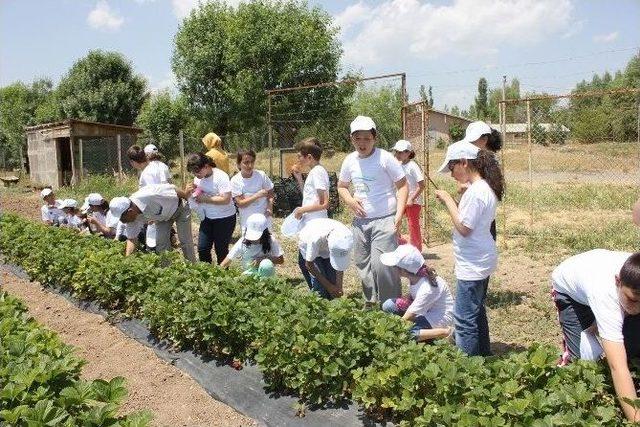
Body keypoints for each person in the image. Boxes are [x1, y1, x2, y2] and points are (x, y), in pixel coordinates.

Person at [551, 250, 640, 423]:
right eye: (633, 300)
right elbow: (617, 366)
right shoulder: (605, 295)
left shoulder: (633, 287)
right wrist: (636, 419)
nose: (637, 308)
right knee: (581, 364)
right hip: (570, 293)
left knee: (631, 346)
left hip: (597, 275)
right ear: (617, 281)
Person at [434, 141, 504, 356]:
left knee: (464, 319)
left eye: (452, 168)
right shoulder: (481, 187)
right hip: (480, 258)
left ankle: (469, 370)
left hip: (473, 263)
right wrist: (464, 193)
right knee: (477, 312)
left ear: (464, 162)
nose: (451, 174)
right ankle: (483, 356)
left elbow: (464, 227)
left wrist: (448, 200)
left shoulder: (476, 192)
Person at [337, 115, 408, 305]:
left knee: (383, 265)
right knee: (363, 264)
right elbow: (342, 186)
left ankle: (391, 307)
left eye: (367, 138)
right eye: (357, 138)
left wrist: (399, 215)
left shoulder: (385, 158)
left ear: (374, 138)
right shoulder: (349, 160)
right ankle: (370, 304)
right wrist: (350, 201)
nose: (362, 143)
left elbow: (402, 186)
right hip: (360, 223)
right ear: (351, 139)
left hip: (385, 219)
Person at [380, 244, 454, 342]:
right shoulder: (417, 276)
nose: (393, 269)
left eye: (395, 267)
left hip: (439, 317)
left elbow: (407, 317)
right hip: (426, 309)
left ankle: (445, 332)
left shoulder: (427, 288)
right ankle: (422, 330)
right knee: (389, 305)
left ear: (404, 270)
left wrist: (389, 330)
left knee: (408, 334)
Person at [107, 183, 196, 262]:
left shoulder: (149, 195)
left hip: (180, 208)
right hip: (162, 218)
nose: (123, 222)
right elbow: (132, 239)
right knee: (161, 244)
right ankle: (167, 271)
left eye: (123, 219)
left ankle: (193, 269)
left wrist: (186, 197)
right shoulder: (131, 219)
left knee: (185, 241)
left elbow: (174, 189)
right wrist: (127, 261)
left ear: (130, 211)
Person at [185, 152, 236, 264]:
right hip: (207, 218)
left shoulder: (221, 176)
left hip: (225, 218)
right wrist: (190, 192)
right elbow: (197, 194)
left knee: (221, 250)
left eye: (197, 171)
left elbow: (226, 199)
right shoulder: (198, 179)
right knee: (202, 249)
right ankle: (207, 277)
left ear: (207, 166)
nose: (195, 174)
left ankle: (223, 278)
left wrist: (205, 199)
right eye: (193, 172)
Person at [457, 121, 503, 240]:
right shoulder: (472, 158)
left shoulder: (491, 161)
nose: (470, 145)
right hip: (471, 211)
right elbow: (461, 182)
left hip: (484, 216)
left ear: (485, 139)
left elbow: (494, 188)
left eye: (473, 141)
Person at [128, 144, 172, 250]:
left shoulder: (147, 173)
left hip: (157, 212)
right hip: (163, 209)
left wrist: (153, 217)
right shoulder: (154, 167)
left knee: (157, 245)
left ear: (133, 162)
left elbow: (154, 195)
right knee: (161, 241)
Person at [297, 217, 354, 299]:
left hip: (325, 243)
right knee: (320, 289)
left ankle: (332, 305)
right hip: (308, 245)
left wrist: (339, 286)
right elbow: (309, 265)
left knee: (332, 281)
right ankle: (319, 306)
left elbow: (340, 264)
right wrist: (329, 287)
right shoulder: (315, 239)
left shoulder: (346, 237)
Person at [220, 213, 284, 277]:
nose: (253, 240)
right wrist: (218, 271)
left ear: (264, 233)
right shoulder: (242, 241)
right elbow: (229, 258)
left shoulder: (271, 240)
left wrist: (263, 259)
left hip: (266, 273)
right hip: (248, 273)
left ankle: (267, 282)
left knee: (265, 264)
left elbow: (281, 260)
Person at [392, 139, 425, 251]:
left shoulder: (412, 166)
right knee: (397, 222)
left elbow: (422, 185)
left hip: (413, 203)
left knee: (413, 226)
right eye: (397, 151)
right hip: (401, 200)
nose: (398, 154)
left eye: (401, 152)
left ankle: (417, 251)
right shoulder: (398, 165)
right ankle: (398, 246)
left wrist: (412, 198)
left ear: (409, 153)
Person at [230, 149, 274, 231]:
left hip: (264, 217)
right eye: (246, 162)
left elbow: (270, 192)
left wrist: (269, 207)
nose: (250, 165)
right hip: (248, 220)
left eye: (252, 162)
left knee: (267, 241)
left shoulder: (261, 175)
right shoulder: (235, 180)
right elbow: (240, 204)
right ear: (239, 164)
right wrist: (257, 195)